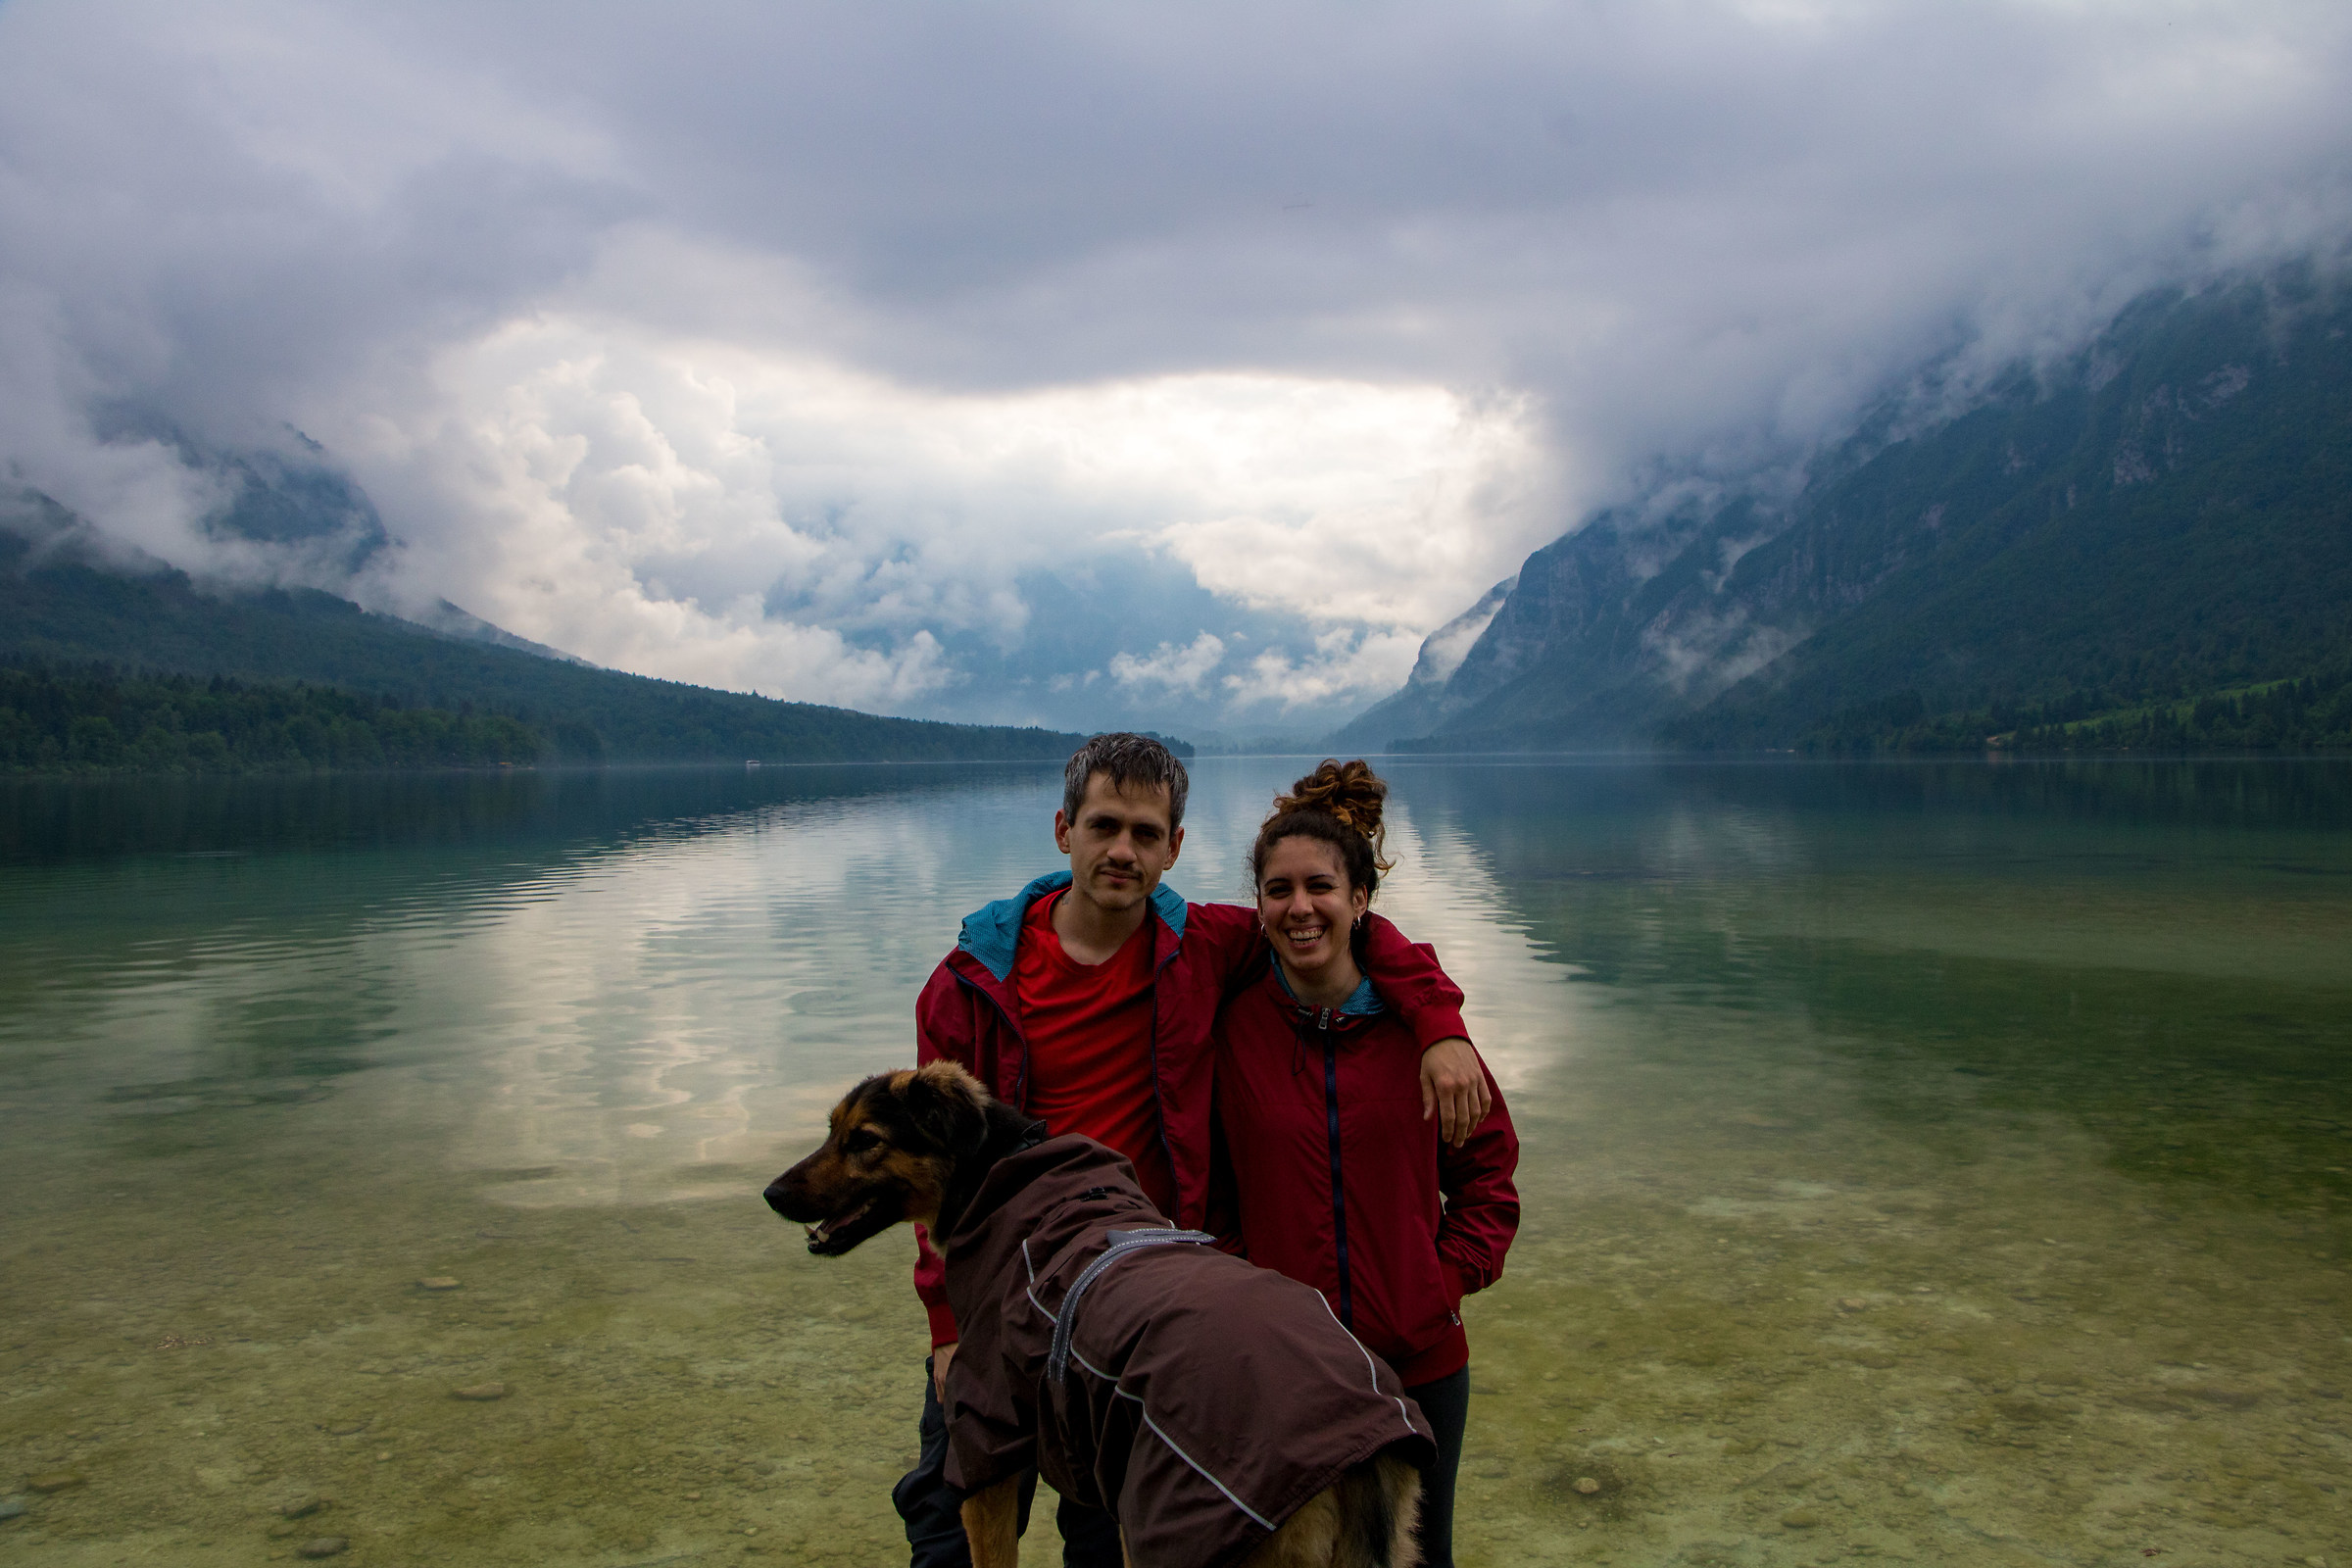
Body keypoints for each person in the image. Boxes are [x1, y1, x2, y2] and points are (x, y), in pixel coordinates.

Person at [897, 733, 1492, 1568]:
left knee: (1107, 1533)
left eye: (1146, 833)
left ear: (1176, 847)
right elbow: (932, 1170)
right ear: (1062, 828)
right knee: (948, 1526)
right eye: (1104, 826)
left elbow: (1347, 929)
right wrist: (948, 1324)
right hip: (1000, 1297)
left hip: (1133, 1311)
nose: (1122, 850)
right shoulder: (970, 983)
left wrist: (1437, 1023)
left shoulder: (1204, 949)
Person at [1212, 759, 1519, 1568]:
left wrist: (1441, 1279)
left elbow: (1489, 1178)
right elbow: (1210, 1194)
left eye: (1320, 887)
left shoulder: (1428, 1042)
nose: (1299, 907)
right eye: (1278, 890)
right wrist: (1251, 1298)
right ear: (1259, 907)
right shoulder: (1233, 1032)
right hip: (1284, 1364)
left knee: (1418, 1559)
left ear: (1361, 902)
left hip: (1419, 1359)